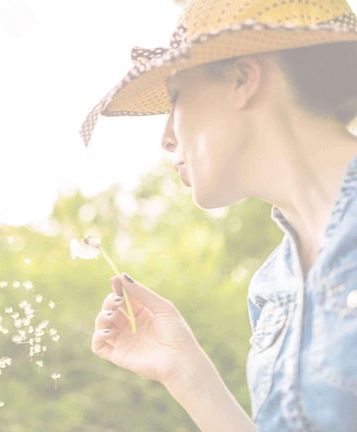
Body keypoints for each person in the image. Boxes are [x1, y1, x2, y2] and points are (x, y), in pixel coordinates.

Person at [81, 0, 357, 431]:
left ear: (241, 80)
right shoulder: (273, 286)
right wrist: (187, 374)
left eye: (176, 97)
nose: (166, 138)